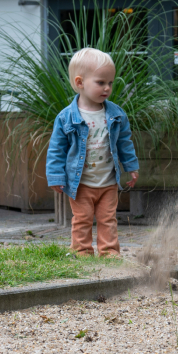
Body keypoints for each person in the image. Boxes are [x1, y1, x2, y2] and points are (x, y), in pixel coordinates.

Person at [46, 48, 139, 257]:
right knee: (82, 218)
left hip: (108, 181)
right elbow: (56, 149)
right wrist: (55, 177)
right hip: (81, 183)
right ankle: (81, 251)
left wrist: (131, 166)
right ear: (80, 83)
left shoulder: (115, 114)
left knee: (108, 218)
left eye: (110, 83)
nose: (107, 88)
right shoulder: (66, 117)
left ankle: (109, 252)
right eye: (101, 82)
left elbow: (125, 142)